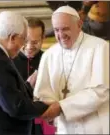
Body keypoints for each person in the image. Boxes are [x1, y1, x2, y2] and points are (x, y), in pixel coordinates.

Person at [34, 6, 109, 134]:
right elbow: (43, 93)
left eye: (65, 29)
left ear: (79, 25)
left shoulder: (100, 47)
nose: (61, 35)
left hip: (95, 127)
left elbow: (101, 91)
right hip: (65, 127)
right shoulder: (49, 55)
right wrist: (48, 109)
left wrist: (61, 107)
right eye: (56, 30)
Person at [0, 11, 48, 135]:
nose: (25, 45)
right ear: (12, 37)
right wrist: (47, 106)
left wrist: (27, 86)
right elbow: (16, 108)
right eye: (23, 39)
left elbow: (4, 93)